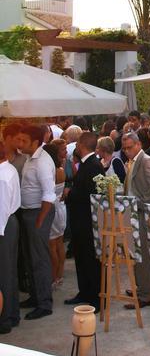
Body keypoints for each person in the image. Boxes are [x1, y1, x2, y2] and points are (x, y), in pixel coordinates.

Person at [19, 124, 57, 320]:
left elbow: (49, 195)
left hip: (38, 213)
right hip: (29, 212)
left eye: (24, 140)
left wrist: (40, 221)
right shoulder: (30, 157)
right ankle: (35, 296)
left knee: (39, 258)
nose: (20, 144)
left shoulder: (42, 161)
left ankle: (44, 302)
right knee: (30, 257)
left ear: (35, 142)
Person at [122, 131, 150, 308]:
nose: (127, 151)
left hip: (142, 213)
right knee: (135, 253)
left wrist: (140, 203)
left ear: (138, 145)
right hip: (131, 212)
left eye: (130, 147)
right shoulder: (132, 161)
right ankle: (141, 288)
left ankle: (146, 294)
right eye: (124, 148)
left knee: (143, 254)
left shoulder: (147, 160)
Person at [64, 132, 103, 311]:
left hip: (87, 221)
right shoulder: (88, 164)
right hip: (81, 220)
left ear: (81, 144)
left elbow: (89, 194)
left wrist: (70, 194)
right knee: (81, 257)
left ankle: (95, 296)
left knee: (90, 259)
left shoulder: (93, 165)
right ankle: (85, 291)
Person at [0, 143, 21, 334]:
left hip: (4, 225)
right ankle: (12, 313)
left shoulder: (2, 175)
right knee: (9, 271)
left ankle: (5, 318)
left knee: (4, 273)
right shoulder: (9, 169)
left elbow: (2, 208)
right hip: (9, 223)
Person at [44, 140, 67, 287]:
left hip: (53, 208)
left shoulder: (51, 172)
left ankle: (54, 276)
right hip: (61, 208)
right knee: (59, 243)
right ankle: (59, 274)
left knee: (52, 245)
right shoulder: (61, 170)